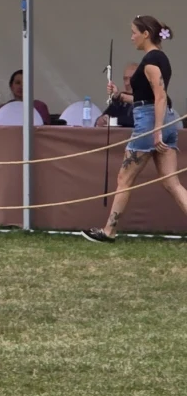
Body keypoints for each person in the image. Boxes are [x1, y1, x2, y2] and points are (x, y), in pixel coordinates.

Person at [82, 16, 187, 242]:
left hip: (151, 125)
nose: (132, 37)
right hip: (161, 120)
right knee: (172, 183)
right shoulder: (160, 58)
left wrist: (156, 131)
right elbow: (146, 99)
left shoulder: (150, 61)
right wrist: (119, 94)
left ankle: (109, 231)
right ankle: (109, 230)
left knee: (124, 179)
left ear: (146, 34)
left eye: (133, 32)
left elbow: (160, 97)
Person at [95, 62, 138, 127]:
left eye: (131, 78)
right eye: (125, 79)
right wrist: (100, 120)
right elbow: (105, 116)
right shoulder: (119, 98)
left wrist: (112, 120)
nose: (127, 83)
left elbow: (135, 120)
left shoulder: (145, 98)